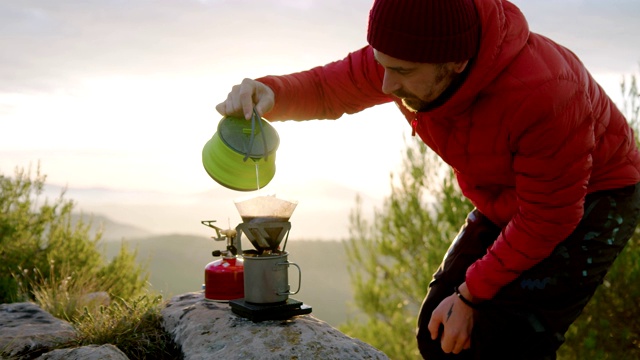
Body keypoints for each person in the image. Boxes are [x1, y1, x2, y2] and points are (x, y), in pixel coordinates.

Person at [216, 0, 640, 358]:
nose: (386, 83)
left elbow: (548, 216)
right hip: (505, 196)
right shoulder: (406, 53)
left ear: (455, 62)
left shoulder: (547, 93)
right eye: (381, 64)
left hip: (592, 198)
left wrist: (472, 294)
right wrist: (271, 94)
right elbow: (330, 90)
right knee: (438, 332)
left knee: (500, 340)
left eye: (400, 71)